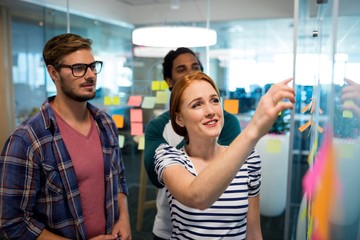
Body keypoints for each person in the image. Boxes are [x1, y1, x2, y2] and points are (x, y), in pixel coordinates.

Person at [0, 33, 131, 240]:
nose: (90, 75)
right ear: (53, 73)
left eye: (92, 66)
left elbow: (120, 180)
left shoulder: (105, 123)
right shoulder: (27, 140)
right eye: (78, 68)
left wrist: (123, 218)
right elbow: (12, 223)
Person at [154, 72, 295, 239]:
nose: (210, 111)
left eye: (214, 100)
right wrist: (253, 129)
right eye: (197, 105)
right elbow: (197, 196)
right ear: (179, 119)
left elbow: (254, 231)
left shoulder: (249, 159)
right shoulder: (168, 156)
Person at [144, 47, 241, 239]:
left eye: (195, 67)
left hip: (223, 226)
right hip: (170, 228)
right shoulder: (157, 127)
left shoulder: (225, 122)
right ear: (169, 82)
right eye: (181, 69)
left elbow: (233, 170)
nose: (191, 73)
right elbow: (156, 178)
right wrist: (194, 133)